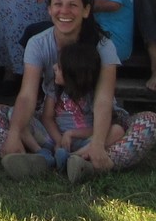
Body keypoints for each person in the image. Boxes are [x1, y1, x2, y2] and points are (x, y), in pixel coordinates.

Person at [0, 0, 156, 183]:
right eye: (58, 4)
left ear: (86, 11)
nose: (64, 11)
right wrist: (14, 133)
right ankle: (39, 157)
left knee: (150, 122)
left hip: (95, 128)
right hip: (51, 129)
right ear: (49, 9)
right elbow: (27, 95)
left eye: (73, 5)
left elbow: (103, 100)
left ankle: (92, 161)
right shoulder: (38, 43)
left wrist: (98, 141)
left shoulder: (103, 47)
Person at [35, 41, 126, 171]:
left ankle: (72, 157)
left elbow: (100, 127)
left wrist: (72, 133)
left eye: (59, 67)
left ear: (72, 74)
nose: (54, 67)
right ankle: (42, 153)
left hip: (87, 141)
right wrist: (59, 140)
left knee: (117, 130)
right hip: (55, 140)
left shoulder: (92, 94)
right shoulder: (54, 88)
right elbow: (47, 118)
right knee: (18, 117)